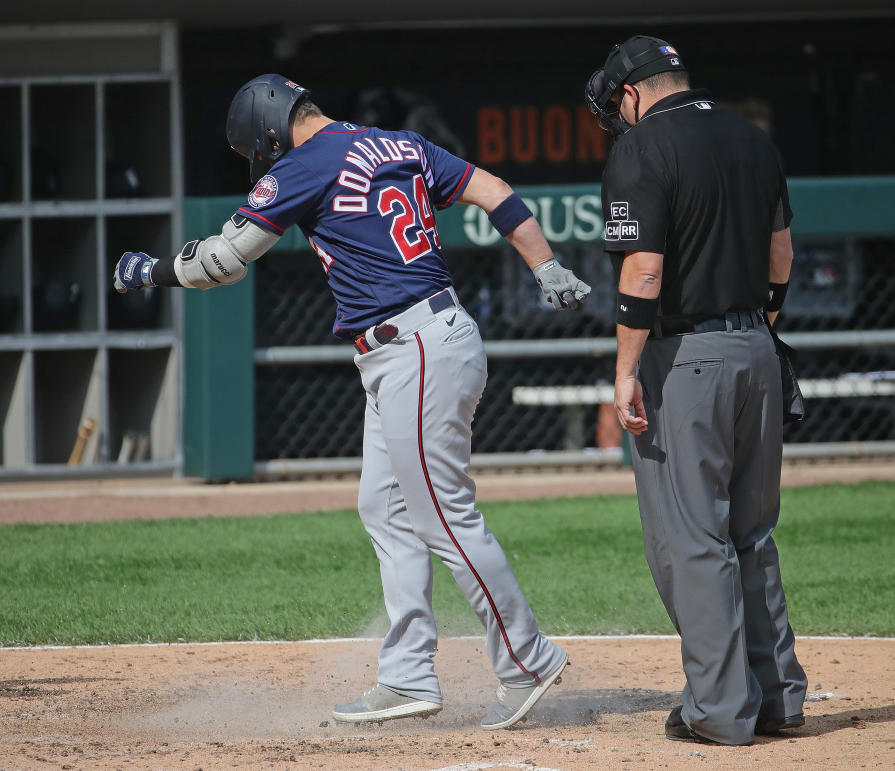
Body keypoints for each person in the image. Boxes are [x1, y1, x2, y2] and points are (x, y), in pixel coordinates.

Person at [114, 74, 590, 729]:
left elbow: (224, 259)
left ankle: (526, 659)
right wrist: (545, 265)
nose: (267, 161)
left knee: (445, 518)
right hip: (419, 341)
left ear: (271, 132)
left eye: (263, 150)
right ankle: (407, 676)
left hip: (415, 344)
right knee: (385, 507)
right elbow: (497, 192)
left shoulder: (307, 162)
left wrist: (152, 270)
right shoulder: (398, 143)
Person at [585, 37, 807, 745]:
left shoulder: (643, 145)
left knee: (693, 538)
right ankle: (779, 698)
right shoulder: (752, 136)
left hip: (687, 359)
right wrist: (758, 327)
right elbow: (783, 255)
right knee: (752, 534)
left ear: (631, 94)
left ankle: (719, 710)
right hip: (755, 352)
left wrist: (623, 371)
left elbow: (644, 272)